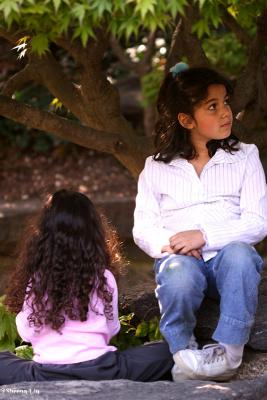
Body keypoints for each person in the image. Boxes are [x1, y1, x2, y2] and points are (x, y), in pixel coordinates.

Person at [133, 64, 267, 381]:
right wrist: (173, 245)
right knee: (176, 274)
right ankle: (184, 353)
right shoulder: (156, 167)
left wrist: (203, 236)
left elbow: (258, 222)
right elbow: (143, 227)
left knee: (239, 256)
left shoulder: (245, 156)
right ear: (186, 120)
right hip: (183, 260)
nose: (226, 113)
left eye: (225, 102)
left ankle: (229, 354)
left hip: (228, 262)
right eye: (212, 106)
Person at [0, 189, 173, 385]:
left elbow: (27, 333)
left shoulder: (37, 280)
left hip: (45, 374)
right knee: (166, 352)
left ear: (43, 234)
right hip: (103, 369)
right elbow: (112, 328)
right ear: (94, 232)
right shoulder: (103, 276)